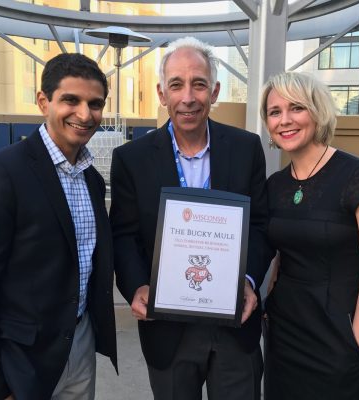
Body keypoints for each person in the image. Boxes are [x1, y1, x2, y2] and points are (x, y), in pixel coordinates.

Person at [109, 37, 273, 400]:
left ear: (214, 91)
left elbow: (260, 226)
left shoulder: (246, 148)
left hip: (235, 323)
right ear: (161, 92)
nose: (188, 97)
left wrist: (248, 279)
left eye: (199, 84)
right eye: (176, 84)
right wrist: (137, 286)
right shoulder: (131, 159)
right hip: (167, 328)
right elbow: (123, 234)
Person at [0, 53, 117, 400]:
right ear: (43, 101)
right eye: (71, 100)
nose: (85, 114)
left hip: (80, 347)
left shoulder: (92, 181)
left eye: (95, 103)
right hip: (19, 361)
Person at [260, 72, 359, 399]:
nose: (285, 120)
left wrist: (357, 340)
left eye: (296, 109)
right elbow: (281, 252)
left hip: (338, 333)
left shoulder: (358, 176)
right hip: (284, 331)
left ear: (317, 112)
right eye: (275, 112)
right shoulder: (274, 186)